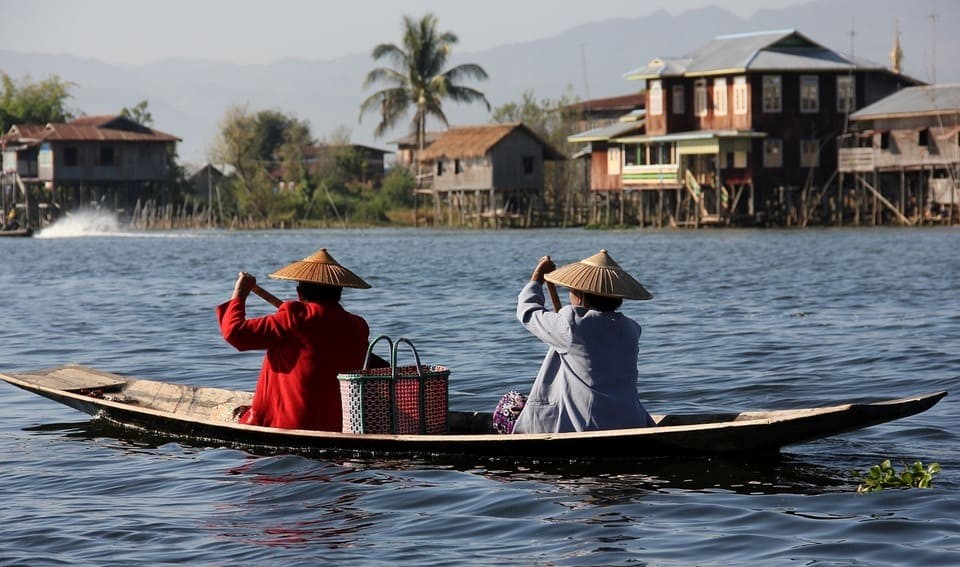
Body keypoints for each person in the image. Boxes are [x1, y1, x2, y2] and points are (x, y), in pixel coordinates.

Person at [217, 248, 372, 431]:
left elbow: (235, 333)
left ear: (299, 293)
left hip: (288, 424)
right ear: (339, 293)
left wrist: (240, 294)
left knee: (230, 413)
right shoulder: (358, 326)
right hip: (339, 424)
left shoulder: (294, 317)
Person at [512, 249, 657, 434]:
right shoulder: (631, 329)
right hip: (631, 420)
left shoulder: (571, 323)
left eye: (572, 290)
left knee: (509, 403)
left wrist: (537, 278)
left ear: (580, 296)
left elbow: (527, 312)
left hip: (585, 426)